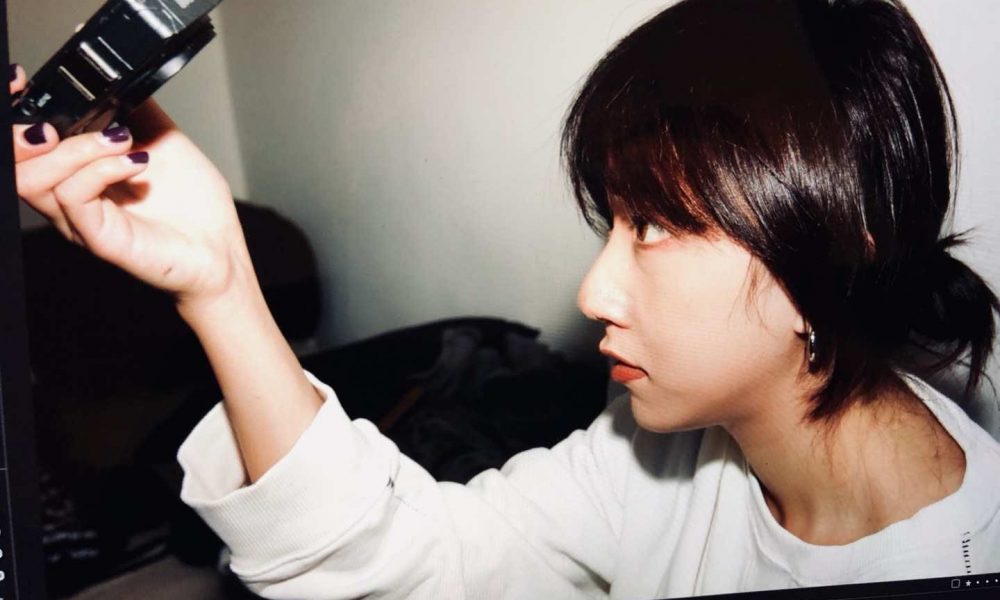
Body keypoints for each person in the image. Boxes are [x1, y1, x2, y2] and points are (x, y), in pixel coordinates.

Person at [11, 0, 1000, 597]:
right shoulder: (659, 449)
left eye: (655, 226)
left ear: (834, 251)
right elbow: (424, 564)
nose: (593, 290)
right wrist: (222, 283)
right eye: (613, 223)